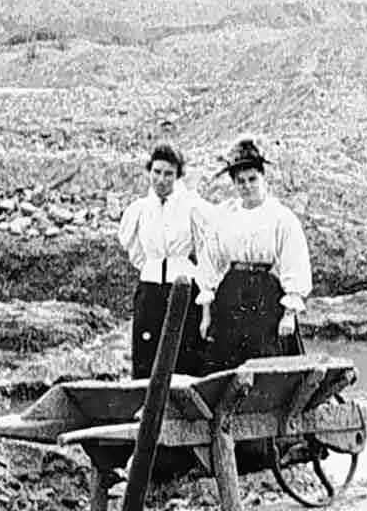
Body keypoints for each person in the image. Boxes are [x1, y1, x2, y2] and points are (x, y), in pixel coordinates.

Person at [199, 137, 312, 371]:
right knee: (225, 362)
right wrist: (206, 314)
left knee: (266, 360)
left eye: (252, 179)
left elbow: (295, 263)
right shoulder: (223, 216)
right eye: (240, 181)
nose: (247, 186)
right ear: (234, 184)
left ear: (263, 178)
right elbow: (209, 262)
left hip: (265, 296)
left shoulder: (281, 217)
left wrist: (289, 315)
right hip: (232, 294)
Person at [115, 141, 210, 378]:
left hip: (184, 288)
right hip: (150, 289)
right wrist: (153, 267)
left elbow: (205, 250)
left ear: (178, 176)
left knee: (184, 355)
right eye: (157, 172)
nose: (161, 179)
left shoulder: (192, 207)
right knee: (147, 355)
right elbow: (136, 252)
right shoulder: (140, 209)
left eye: (169, 174)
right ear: (149, 171)